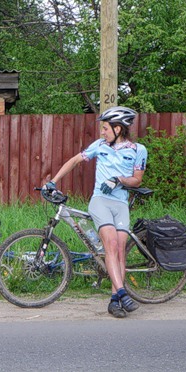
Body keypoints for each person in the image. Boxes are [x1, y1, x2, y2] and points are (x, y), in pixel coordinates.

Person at [43, 106, 147, 318]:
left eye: (106, 128)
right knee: (110, 244)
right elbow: (74, 160)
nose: (102, 132)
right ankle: (122, 292)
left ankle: (114, 301)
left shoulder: (138, 150)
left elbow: (137, 180)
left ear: (118, 128)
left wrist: (118, 179)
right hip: (100, 200)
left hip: (121, 203)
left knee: (119, 249)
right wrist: (53, 181)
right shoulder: (99, 146)